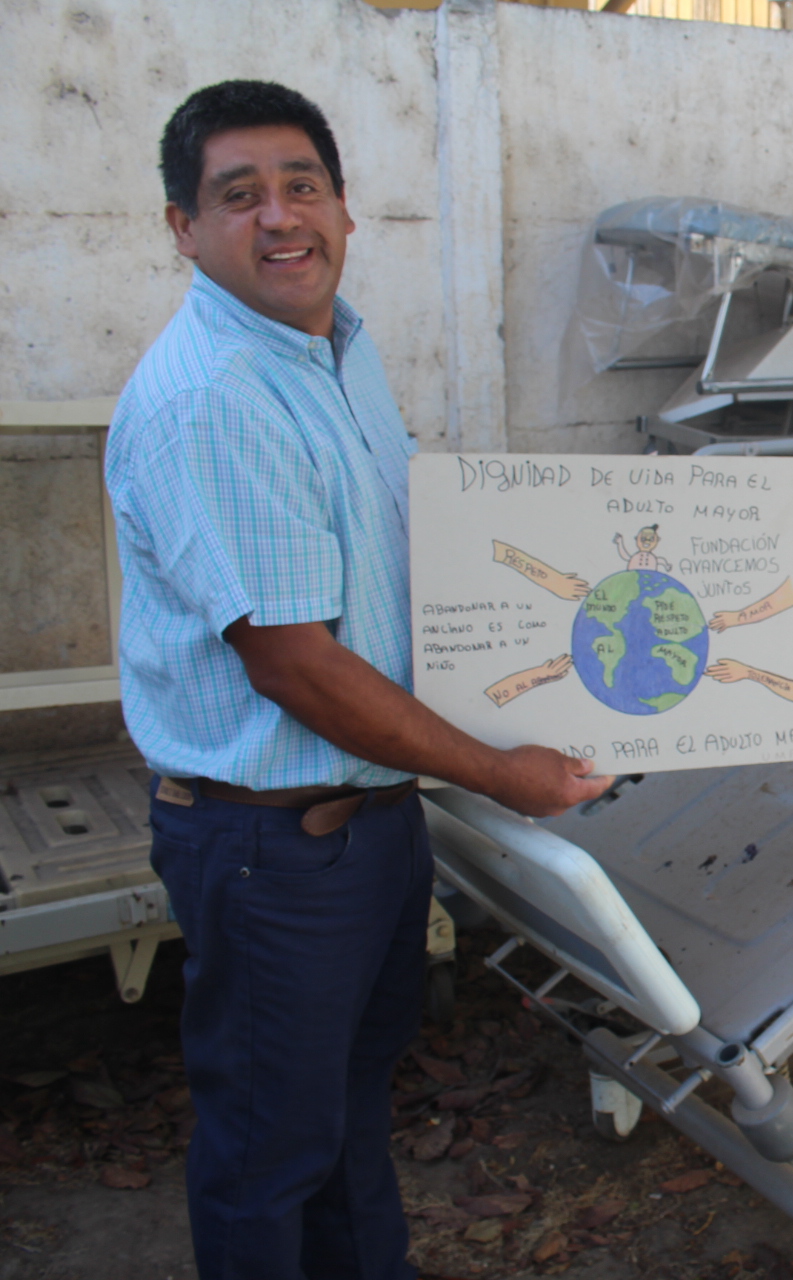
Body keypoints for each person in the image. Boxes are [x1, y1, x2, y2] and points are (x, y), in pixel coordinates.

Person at [106, 81, 611, 1276]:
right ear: (184, 227)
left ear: (342, 204)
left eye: (302, 185)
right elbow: (294, 663)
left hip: (366, 823)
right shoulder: (216, 399)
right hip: (273, 844)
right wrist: (500, 767)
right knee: (270, 1148)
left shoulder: (335, 348)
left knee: (343, 1123)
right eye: (239, 195)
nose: (280, 217)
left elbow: (398, 549)